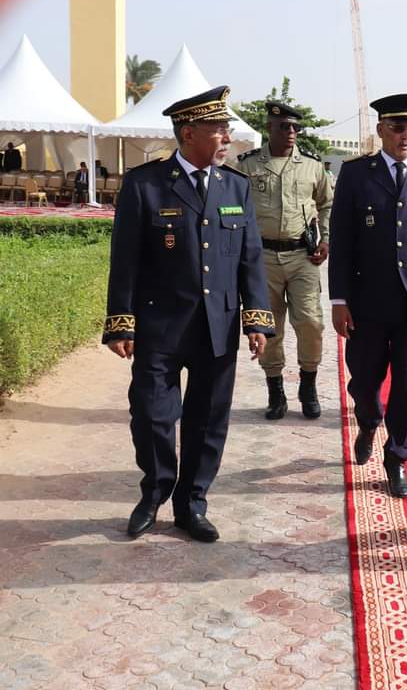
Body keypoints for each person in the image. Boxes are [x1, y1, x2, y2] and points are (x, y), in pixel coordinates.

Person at [103, 85, 275, 542]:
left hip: (217, 325)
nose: (227, 137)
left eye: (227, 129)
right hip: (159, 325)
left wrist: (256, 318)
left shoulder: (236, 186)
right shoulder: (146, 184)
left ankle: (192, 504)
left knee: (208, 419)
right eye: (219, 130)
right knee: (152, 416)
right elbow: (125, 259)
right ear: (188, 133)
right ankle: (155, 492)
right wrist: (121, 321)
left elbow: (250, 258)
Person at [328, 93, 407, 499]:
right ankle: (368, 421)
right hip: (367, 301)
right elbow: (342, 241)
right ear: (381, 129)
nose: (406, 135)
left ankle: (397, 457)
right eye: (398, 127)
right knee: (365, 380)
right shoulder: (356, 175)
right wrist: (339, 300)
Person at [236, 101, 333, 421]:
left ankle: (308, 385)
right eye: (284, 126)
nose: (291, 132)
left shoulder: (312, 166)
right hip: (262, 257)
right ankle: (275, 390)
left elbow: (327, 203)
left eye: (296, 127)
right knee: (269, 326)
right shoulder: (248, 165)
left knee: (311, 321)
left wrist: (326, 238)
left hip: (303, 256)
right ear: (269, 128)